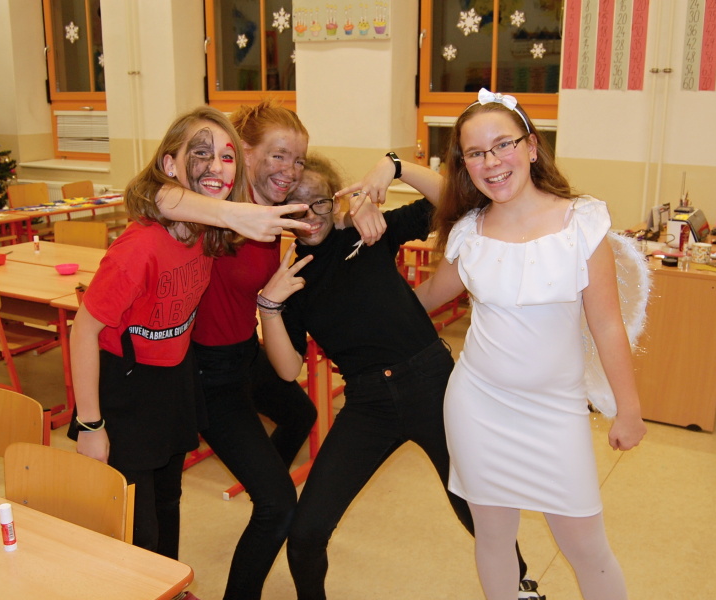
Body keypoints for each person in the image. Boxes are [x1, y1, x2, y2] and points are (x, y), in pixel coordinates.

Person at [258, 152, 540, 600]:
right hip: (368, 404)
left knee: (476, 509)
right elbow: (289, 369)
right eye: (295, 207)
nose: (309, 216)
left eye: (319, 202)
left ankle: (519, 587)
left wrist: (393, 167)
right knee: (306, 533)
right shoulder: (291, 276)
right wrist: (269, 307)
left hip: (433, 385)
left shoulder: (365, 232)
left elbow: (459, 200)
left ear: (335, 199)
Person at [413, 89, 647, 600]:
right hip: (478, 405)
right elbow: (424, 298)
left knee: (586, 547)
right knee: (494, 536)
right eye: (475, 153)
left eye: (504, 145)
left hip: (556, 410)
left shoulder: (581, 223)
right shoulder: (469, 232)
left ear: (532, 147)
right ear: (464, 166)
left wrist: (628, 409)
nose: (492, 162)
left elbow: (607, 325)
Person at [155, 100, 384, 599]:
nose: (290, 169)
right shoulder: (212, 203)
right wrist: (228, 211)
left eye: (297, 159)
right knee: (276, 505)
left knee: (300, 413)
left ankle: (261, 481)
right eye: (278, 155)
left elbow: (324, 216)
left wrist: (359, 209)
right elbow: (159, 195)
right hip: (206, 371)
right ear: (244, 151)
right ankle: (264, 501)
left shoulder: (273, 211)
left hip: (244, 353)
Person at [68, 106, 253, 563]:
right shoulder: (139, 248)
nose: (216, 166)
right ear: (170, 165)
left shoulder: (206, 233)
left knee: (169, 502)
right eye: (201, 153)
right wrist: (90, 425)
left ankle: (169, 588)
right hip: (124, 390)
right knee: (138, 529)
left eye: (227, 156)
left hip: (172, 381)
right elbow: (83, 331)